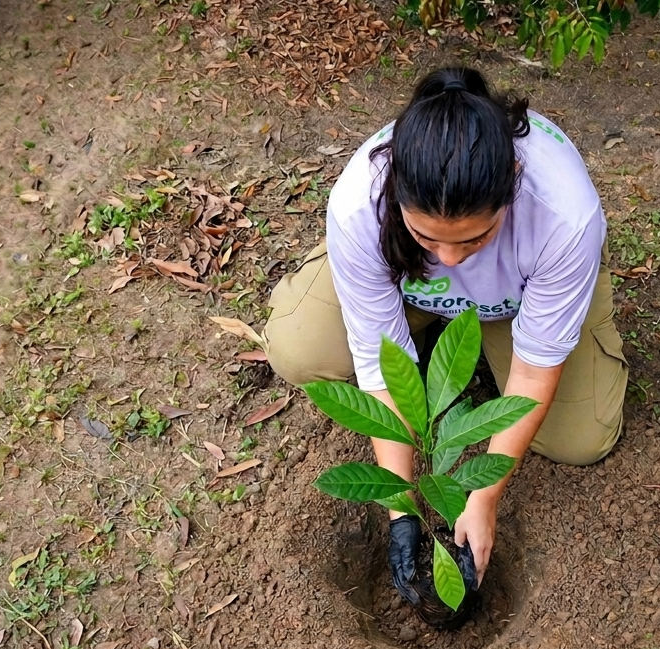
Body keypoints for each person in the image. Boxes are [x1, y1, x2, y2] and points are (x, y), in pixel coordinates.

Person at [263, 66, 628, 604]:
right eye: (426, 236)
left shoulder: (564, 217)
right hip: (409, 290)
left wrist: (482, 498)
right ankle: (430, 317)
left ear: (512, 188)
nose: (450, 259)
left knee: (580, 439)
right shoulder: (361, 204)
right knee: (300, 349)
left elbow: (533, 373)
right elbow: (381, 362)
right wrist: (401, 508)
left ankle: (462, 327)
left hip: (512, 302)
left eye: (475, 238)